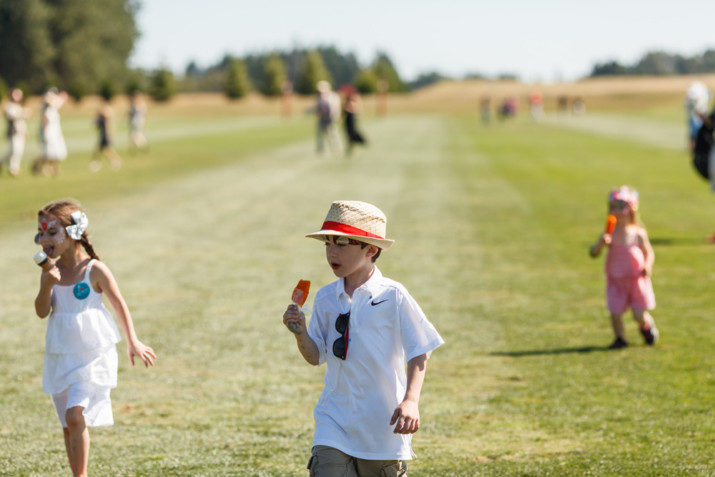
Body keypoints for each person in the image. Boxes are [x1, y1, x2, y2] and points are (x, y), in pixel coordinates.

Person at [283, 200, 444, 476]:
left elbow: (420, 349)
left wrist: (411, 401)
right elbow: (315, 356)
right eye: (328, 244)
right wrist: (300, 333)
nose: (332, 252)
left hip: (382, 425)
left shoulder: (393, 295)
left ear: (371, 249)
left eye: (342, 243)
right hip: (334, 419)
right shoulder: (325, 297)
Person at [34, 199, 156, 477]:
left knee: (75, 416)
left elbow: (118, 304)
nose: (45, 239)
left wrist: (132, 341)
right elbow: (42, 312)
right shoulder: (51, 272)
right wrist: (46, 284)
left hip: (92, 355)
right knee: (68, 424)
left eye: (52, 232)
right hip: (61, 354)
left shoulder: (95, 270)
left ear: (73, 232)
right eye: (41, 232)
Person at [589, 186, 659, 348]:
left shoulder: (638, 233)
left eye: (621, 206)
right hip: (616, 279)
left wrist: (647, 265)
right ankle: (620, 338)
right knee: (615, 312)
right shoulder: (609, 234)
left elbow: (649, 252)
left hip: (636, 279)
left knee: (638, 314)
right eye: (613, 207)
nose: (617, 211)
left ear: (632, 209)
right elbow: (593, 253)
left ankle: (646, 327)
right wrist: (601, 243)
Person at [32, 88, 68, 177]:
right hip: (48, 133)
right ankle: (38, 165)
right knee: (49, 154)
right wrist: (44, 135)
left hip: (55, 133)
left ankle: (55, 170)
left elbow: (58, 102)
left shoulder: (53, 108)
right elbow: (44, 124)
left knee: (57, 154)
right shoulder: (46, 110)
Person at [1, 88, 28, 177]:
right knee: (15, 151)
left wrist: (25, 131)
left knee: (14, 151)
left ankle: (3, 163)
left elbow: (21, 122)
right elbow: (13, 116)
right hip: (13, 132)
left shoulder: (18, 106)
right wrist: (23, 113)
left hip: (20, 132)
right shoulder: (9, 106)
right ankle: (13, 169)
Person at [90, 98, 121, 172]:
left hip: (105, 134)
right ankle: (96, 163)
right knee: (100, 150)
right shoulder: (101, 115)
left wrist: (108, 134)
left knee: (107, 150)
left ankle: (116, 160)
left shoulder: (105, 115)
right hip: (102, 134)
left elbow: (108, 126)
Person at [315, 81, 341, 155]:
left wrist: (336, 116)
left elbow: (335, 108)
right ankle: (320, 149)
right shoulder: (319, 97)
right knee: (320, 134)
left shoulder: (333, 96)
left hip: (330, 118)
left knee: (332, 134)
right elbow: (318, 108)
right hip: (322, 118)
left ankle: (336, 148)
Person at [342, 87, 367, 156]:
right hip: (348, 118)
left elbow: (357, 108)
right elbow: (345, 109)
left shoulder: (354, 99)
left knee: (353, 132)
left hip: (352, 117)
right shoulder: (347, 100)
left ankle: (361, 141)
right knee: (349, 133)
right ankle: (350, 146)